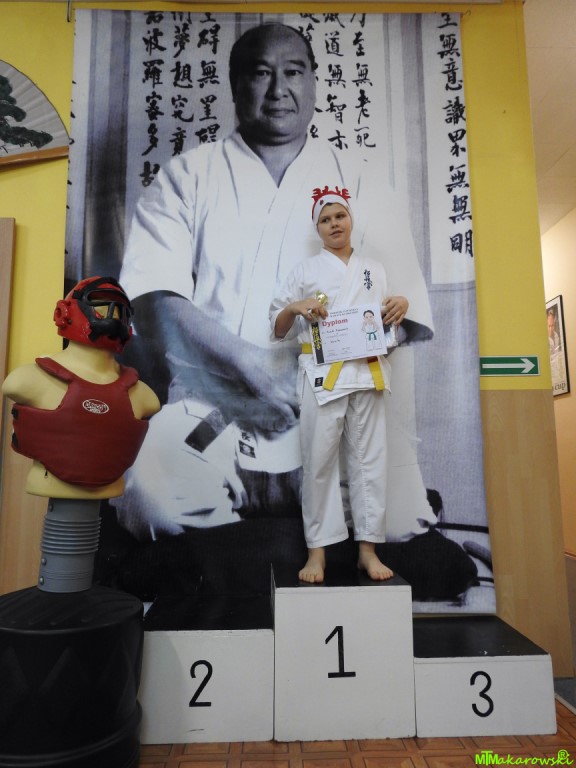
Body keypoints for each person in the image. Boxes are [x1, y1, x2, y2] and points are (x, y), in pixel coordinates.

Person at [115, 22, 477, 601]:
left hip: (338, 400)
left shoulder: (359, 178)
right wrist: (251, 367)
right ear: (235, 84)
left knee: (400, 518)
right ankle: (293, 547)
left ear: (313, 82)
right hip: (217, 407)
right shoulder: (188, 175)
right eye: (261, 73)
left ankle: (243, 554)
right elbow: (154, 299)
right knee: (149, 493)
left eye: (293, 72)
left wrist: (313, 371)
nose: (278, 88)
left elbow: (398, 313)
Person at [270, 187, 406, 583]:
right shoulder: (305, 271)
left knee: (370, 461)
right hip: (323, 377)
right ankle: (318, 553)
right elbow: (277, 328)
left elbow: (385, 322)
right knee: (319, 463)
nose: (334, 224)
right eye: (325, 220)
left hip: (367, 373)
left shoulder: (373, 269)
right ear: (318, 228)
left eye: (339, 216)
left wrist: (401, 305)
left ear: (351, 219)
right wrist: (293, 308)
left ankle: (368, 551)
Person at [2, 276, 160, 499]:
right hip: (49, 485)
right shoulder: (26, 380)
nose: (112, 315)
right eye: (101, 307)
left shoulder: (144, 395)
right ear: (63, 313)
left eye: (118, 310)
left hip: (109, 489)